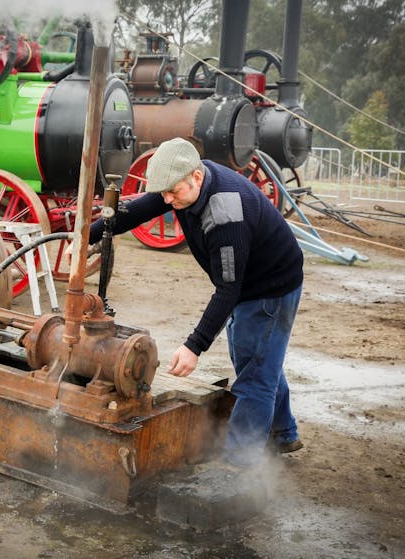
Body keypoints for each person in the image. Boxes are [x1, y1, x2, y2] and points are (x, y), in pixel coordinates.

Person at [86, 137, 304, 468]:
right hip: (253, 281)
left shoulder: (224, 215)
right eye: (165, 193)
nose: (168, 201)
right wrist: (88, 235)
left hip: (269, 288)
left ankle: (239, 469)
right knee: (260, 359)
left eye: (174, 192)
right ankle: (284, 433)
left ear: (197, 177)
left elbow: (229, 290)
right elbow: (143, 207)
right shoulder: (184, 183)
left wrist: (194, 346)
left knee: (254, 376)